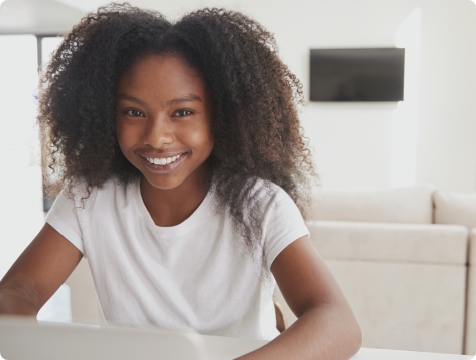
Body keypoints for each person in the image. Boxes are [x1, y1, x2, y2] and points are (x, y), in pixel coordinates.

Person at [0, 3, 361, 359]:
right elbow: (18, 290)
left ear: (224, 115)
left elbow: (338, 324)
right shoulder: (89, 197)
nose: (157, 137)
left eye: (183, 112)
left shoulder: (260, 204)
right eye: (134, 112)